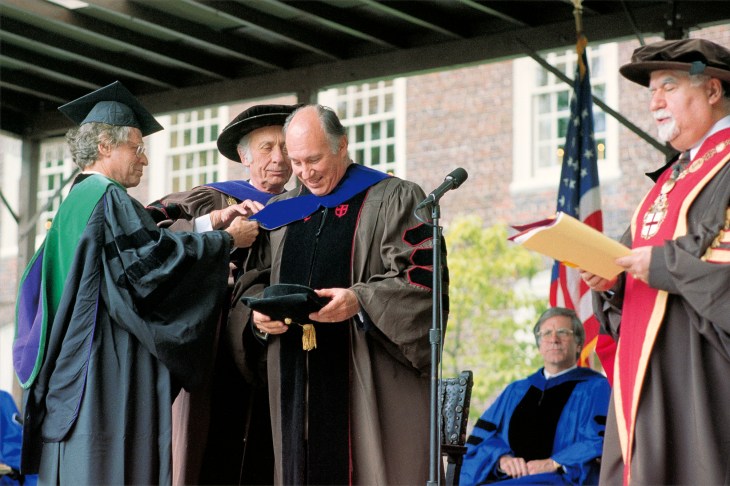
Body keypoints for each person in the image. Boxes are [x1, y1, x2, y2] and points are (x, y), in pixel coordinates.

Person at [12, 81, 259, 485]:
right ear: (106, 146)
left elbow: (140, 247)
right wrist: (226, 243)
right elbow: (149, 268)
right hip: (104, 365)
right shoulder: (108, 198)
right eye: (136, 147)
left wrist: (209, 222)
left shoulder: (78, 199)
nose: (143, 160)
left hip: (73, 366)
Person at [230, 104, 446, 484]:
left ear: (342, 145)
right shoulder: (283, 212)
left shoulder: (395, 198)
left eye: (313, 159)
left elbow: (422, 278)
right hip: (295, 379)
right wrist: (258, 316)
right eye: (296, 162)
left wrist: (360, 300)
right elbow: (252, 280)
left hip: (367, 370)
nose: (304, 172)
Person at [579, 38, 730, 484]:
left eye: (668, 86)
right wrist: (611, 279)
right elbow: (634, 260)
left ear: (713, 90)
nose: (655, 102)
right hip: (648, 373)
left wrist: (661, 265)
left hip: (702, 371)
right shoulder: (670, 178)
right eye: (650, 92)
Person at [147, 103, 298, 485]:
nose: (278, 158)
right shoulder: (212, 200)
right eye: (266, 148)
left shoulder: (306, 208)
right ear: (244, 157)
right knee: (211, 453)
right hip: (213, 352)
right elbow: (149, 240)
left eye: (285, 147)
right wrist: (214, 243)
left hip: (278, 349)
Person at [460, 307, 610, 486]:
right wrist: (502, 459)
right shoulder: (516, 391)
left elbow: (601, 441)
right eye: (546, 333)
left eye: (563, 332)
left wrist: (553, 463)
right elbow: (480, 441)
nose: (554, 339)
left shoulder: (596, 388)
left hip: (562, 479)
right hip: (509, 479)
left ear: (578, 344)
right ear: (539, 345)